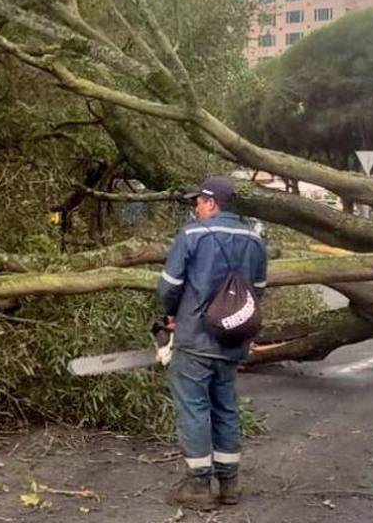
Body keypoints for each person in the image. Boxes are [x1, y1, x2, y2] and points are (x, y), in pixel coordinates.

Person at [157, 176, 268, 509]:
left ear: (211, 202)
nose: (196, 208)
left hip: (194, 338)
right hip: (232, 338)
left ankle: (199, 485)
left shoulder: (192, 235)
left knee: (194, 407)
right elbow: (257, 291)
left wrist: (170, 315)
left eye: (199, 202)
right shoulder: (255, 240)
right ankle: (229, 483)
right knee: (226, 408)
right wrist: (231, 319)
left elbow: (169, 287)